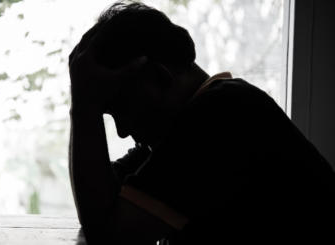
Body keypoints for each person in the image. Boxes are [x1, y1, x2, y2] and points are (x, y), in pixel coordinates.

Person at [68, 2, 335, 244]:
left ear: (159, 77)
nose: (123, 131)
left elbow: (109, 235)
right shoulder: (197, 120)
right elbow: (102, 198)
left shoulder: (220, 119)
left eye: (122, 108)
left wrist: (84, 107)